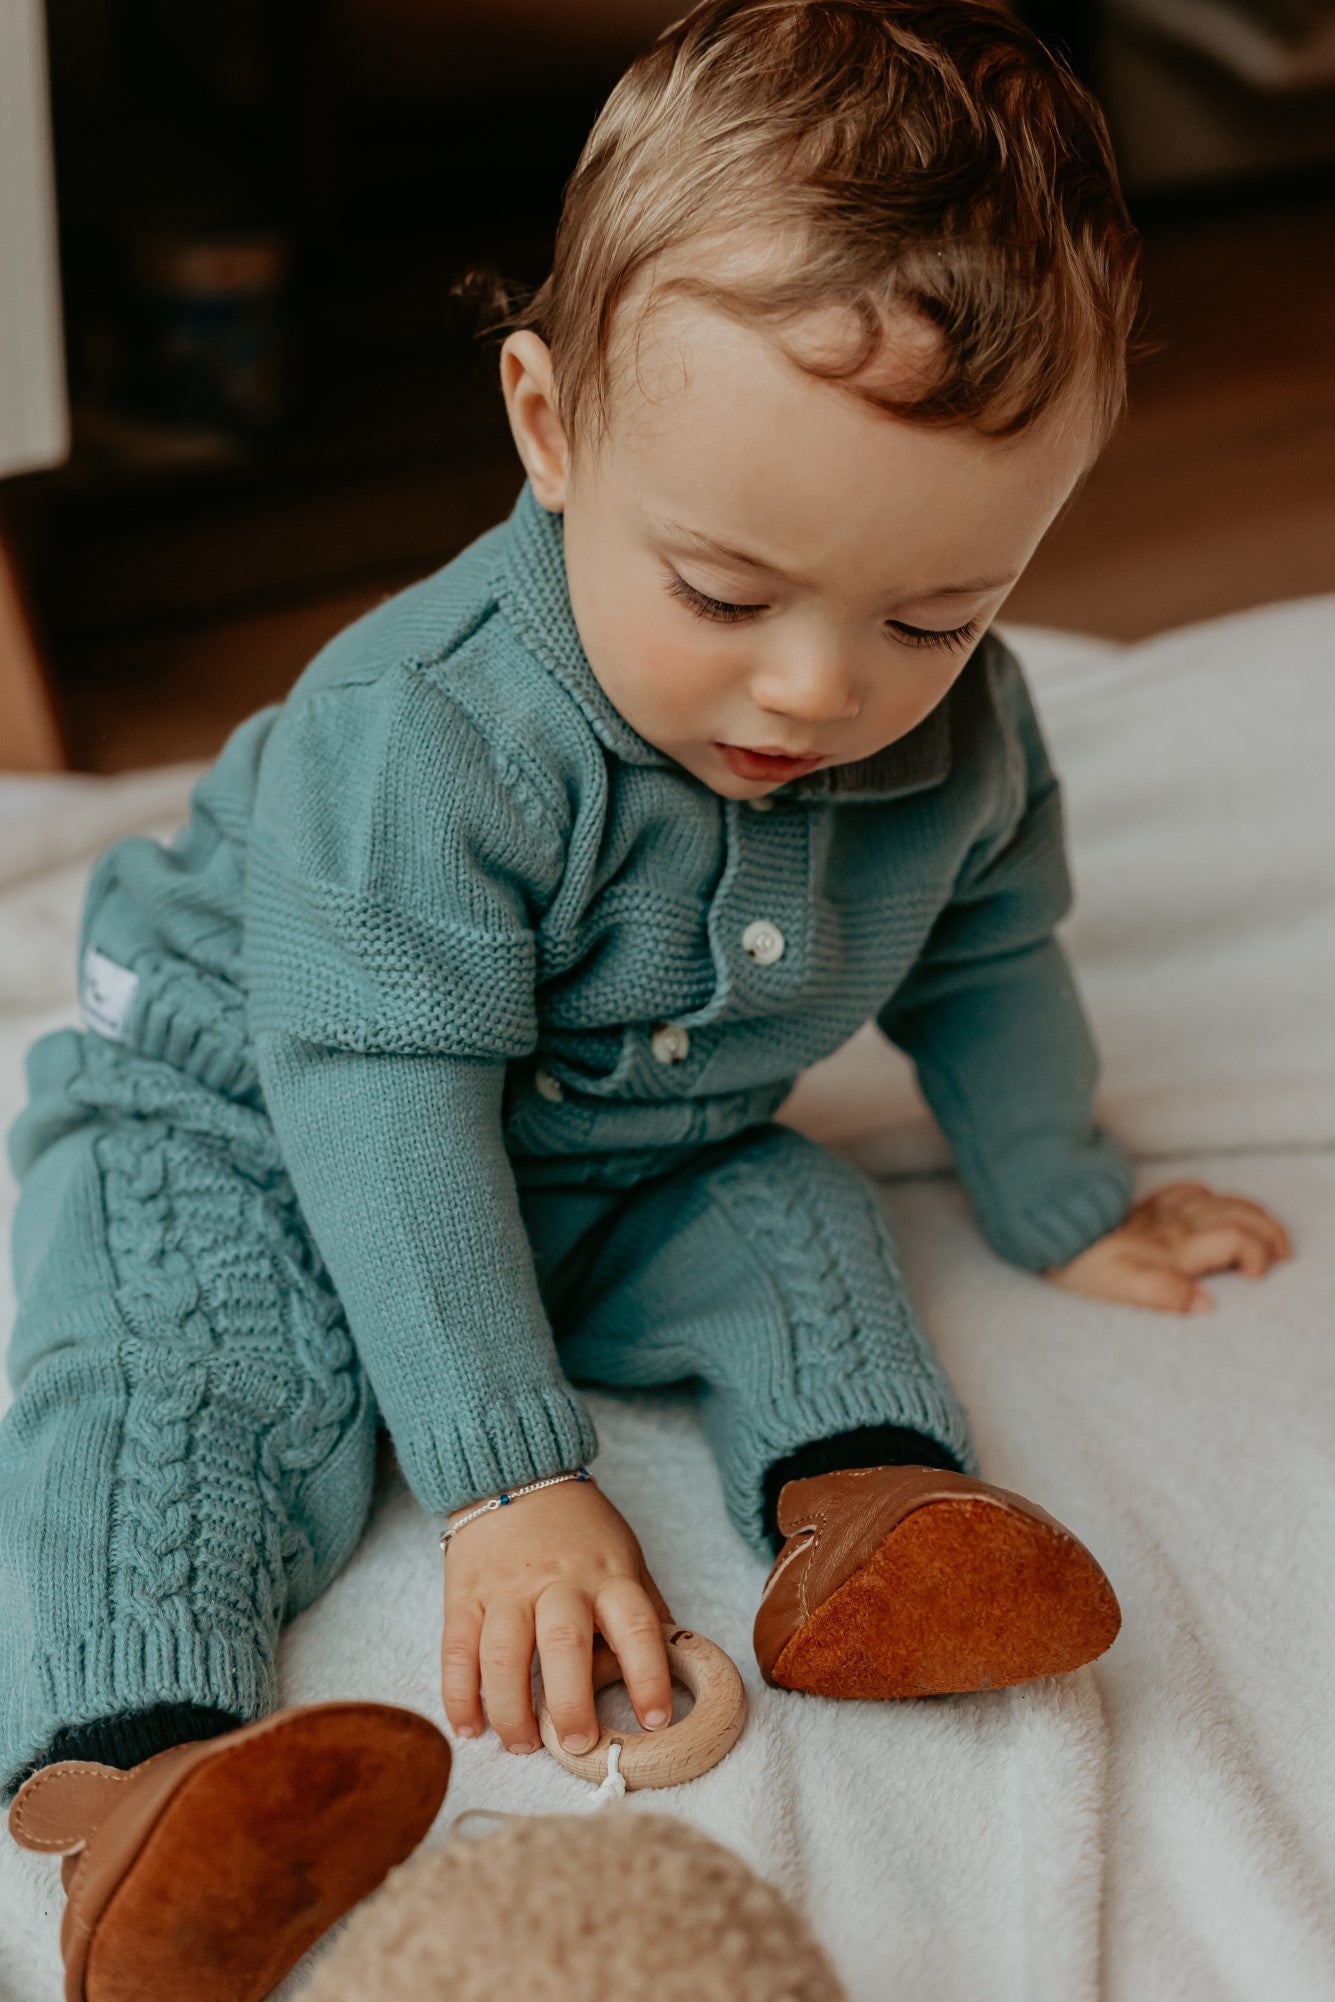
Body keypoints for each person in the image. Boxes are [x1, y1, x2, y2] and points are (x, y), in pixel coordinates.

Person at [2, 4, 1292, 1995]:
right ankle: (141, 1793)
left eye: (929, 615)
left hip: (615, 1136)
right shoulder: (427, 738)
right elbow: (383, 1094)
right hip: (258, 1114)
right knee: (182, 1385)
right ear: (546, 421)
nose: (815, 689)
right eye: (720, 592)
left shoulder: (958, 744)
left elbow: (983, 951)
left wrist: (1060, 1187)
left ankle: (875, 1520)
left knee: (792, 1216)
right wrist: (512, 1479)